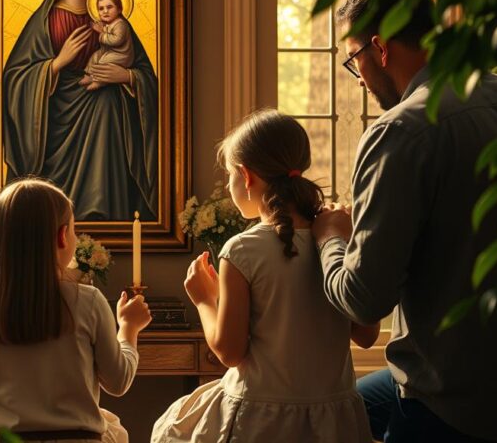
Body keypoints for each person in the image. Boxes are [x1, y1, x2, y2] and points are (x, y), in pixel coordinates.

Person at [313, 0, 497, 442]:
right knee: (358, 405)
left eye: (353, 59)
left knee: (331, 415)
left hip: (456, 406)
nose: (357, 76)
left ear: (380, 49)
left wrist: (330, 238)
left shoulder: (401, 132)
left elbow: (365, 298)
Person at [152, 109, 377, 443]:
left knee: (170, 429)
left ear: (245, 176)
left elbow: (230, 352)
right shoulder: (338, 239)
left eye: (229, 175)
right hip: (334, 422)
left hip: (260, 422)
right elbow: (367, 335)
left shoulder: (243, 250)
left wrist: (204, 299)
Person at [0, 178, 152, 442]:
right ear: (62, 236)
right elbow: (118, 381)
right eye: (74, 230)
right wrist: (129, 328)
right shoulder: (87, 301)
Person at [2, 0, 158, 221]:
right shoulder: (44, 20)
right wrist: (56, 63)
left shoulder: (113, 21)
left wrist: (126, 76)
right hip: (54, 117)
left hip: (105, 117)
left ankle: (104, 211)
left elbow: (147, 75)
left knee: (107, 101)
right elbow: (15, 78)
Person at [79, 0, 134, 92]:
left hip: (122, 55)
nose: (105, 11)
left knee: (104, 61)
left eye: (109, 7)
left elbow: (116, 40)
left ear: (119, 10)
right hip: (109, 51)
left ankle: (99, 81)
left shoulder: (120, 24)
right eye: (101, 9)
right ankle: (89, 75)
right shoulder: (107, 24)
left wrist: (101, 33)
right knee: (95, 56)